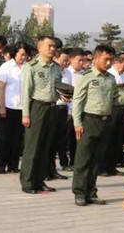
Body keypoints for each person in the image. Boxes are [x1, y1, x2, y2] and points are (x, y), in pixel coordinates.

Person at [71, 45, 117, 206]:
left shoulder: (111, 78)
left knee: (97, 159)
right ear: (96, 58)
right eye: (106, 59)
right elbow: (77, 101)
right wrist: (77, 123)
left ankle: (91, 191)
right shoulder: (86, 76)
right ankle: (79, 192)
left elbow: (116, 99)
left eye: (111, 59)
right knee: (83, 158)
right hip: (89, 120)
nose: (109, 62)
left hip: (105, 121)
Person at [20, 35, 62, 194]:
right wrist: (26, 114)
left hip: (52, 107)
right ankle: (28, 182)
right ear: (39, 47)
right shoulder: (31, 67)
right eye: (49, 46)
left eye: (54, 46)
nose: (53, 49)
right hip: (37, 107)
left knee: (46, 146)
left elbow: (60, 91)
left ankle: (40, 180)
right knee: (33, 146)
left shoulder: (56, 68)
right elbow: (26, 93)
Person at [0, 42, 29, 173]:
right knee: (5, 138)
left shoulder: (28, 67)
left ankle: (13, 165)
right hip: (8, 107)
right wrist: (2, 107)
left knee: (18, 139)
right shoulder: (6, 67)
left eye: (25, 55)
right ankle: (1, 165)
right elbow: (1, 88)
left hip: (23, 108)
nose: (23, 57)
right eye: (21, 54)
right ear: (15, 53)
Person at [100, 52, 124, 176]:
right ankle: (102, 168)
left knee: (117, 140)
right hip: (110, 108)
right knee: (106, 139)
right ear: (117, 62)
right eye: (123, 65)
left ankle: (112, 167)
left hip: (121, 109)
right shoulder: (109, 74)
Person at [47, 47, 71, 180]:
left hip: (63, 109)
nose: (65, 63)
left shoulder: (68, 73)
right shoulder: (51, 71)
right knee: (49, 141)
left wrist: (70, 110)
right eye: (63, 60)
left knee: (59, 141)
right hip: (52, 108)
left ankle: (53, 170)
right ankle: (45, 170)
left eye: (67, 61)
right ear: (56, 59)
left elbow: (72, 92)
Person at [64, 47, 86, 170]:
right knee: (71, 138)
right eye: (79, 60)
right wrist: (68, 110)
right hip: (70, 110)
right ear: (71, 59)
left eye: (83, 60)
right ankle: (71, 162)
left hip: (82, 110)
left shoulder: (84, 73)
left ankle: (79, 161)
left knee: (80, 138)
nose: (81, 63)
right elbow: (65, 93)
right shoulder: (67, 73)